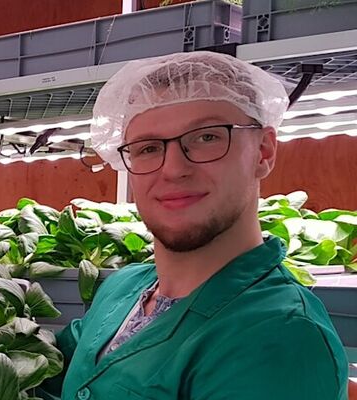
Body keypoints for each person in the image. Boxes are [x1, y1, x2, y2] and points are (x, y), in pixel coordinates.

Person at [41, 51, 349, 399]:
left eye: (206, 137)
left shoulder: (280, 338)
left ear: (263, 152)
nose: (173, 169)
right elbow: (48, 368)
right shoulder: (123, 288)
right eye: (148, 148)